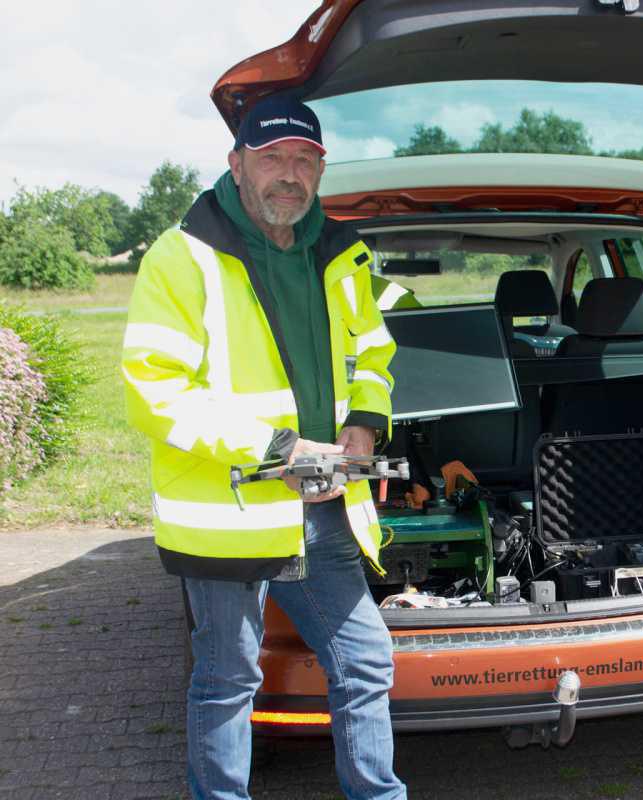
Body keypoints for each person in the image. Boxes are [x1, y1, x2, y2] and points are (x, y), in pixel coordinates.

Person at [123, 94, 406, 800]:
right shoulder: (183, 256)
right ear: (237, 163)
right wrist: (278, 448)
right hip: (231, 512)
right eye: (272, 157)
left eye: (305, 160)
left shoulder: (342, 253)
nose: (289, 174)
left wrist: (365, 420)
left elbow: (373, 351)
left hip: (323, 502)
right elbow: (155, 389)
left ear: (321, 170)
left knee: (366, 661)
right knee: (228, 678)